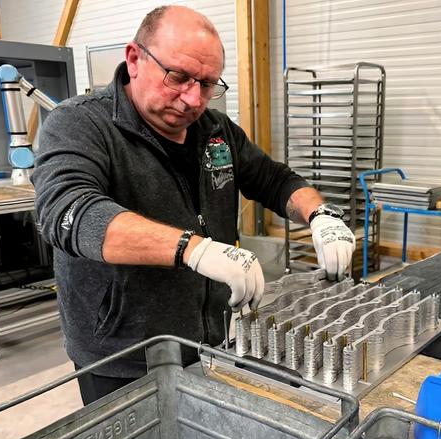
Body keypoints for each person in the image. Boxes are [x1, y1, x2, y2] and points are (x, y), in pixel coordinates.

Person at [32, 5, 355, 405]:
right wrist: (192, 248)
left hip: (212, 340)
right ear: (134, 59)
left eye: (207, 84)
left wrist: (320, 214)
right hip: (123, 355)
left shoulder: (215, 131)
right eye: (179, 77)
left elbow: (274, 179)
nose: (192, 99)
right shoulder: (80, 124)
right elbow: (70, 211)